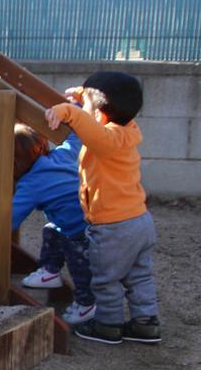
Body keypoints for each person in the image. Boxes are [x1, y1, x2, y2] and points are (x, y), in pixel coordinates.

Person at [46, 71, 159, 345]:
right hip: (140, 221)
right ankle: (146, 323)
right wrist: (84, 94)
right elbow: (96, 116)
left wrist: (66, 110)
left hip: (113, 227)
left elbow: (86, 124)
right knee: (139, 275)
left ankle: (108, 325)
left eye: (88, 107)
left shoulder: (105, 140)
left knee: (105, 279)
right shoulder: (128, 129)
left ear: (100, 115)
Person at [11, 123, 94, 324]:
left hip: (82, 232)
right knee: (51, 230)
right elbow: (75, 136)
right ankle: (50, 271)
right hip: (87, 220)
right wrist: (73, 107)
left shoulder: (30, 185)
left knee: (80, 266)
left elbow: (11, 217)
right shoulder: (60, 155)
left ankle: (87, 304)